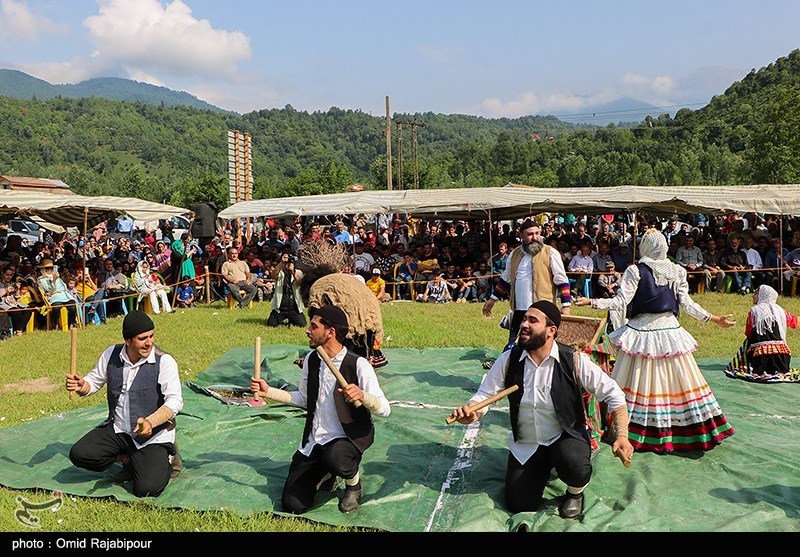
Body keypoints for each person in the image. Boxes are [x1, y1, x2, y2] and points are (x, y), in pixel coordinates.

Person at [449, 301, 633, 518]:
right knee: (519, 503)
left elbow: (614, 394)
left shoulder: (573, 360)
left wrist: (622, 435)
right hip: (527, 445)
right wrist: (472, 413)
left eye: (532, 320)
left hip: (564, 437)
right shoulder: (509, 359)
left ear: (551, 331)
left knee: (574, 464)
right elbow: (484, 396)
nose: (523, 324)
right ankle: (539, 468)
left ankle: (575, 493)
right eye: (524, 319)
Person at [574, 229, 736, 453]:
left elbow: (621, 302)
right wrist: (714, 319)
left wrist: (591, 302)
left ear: (645, 247)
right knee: (676, 380)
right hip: (669, 332)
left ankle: (634, 428)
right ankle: (679, 429)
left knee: (636, 379)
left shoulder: (637, 270)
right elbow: (687, 304)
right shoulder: (675, 271)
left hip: (644, 332)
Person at [250, 305, 391, 514]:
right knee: (293, 505)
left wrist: (363, 396)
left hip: (347, 439)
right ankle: (326, 474)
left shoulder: (358, 364)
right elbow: (304, 398)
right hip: (315, 440)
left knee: (336, 458)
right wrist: (268, 391)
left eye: (314, 326)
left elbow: (385, 408)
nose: (307, 330)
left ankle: (353, 484)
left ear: (330, 332)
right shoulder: (311, 359)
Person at [65, 311, 183, 497]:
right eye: (142, 338)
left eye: (151, 336)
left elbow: (175, 401)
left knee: (147, 489)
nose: (149, 342)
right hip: (119, 430)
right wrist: (81, 386)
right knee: (80, 454)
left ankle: (168, 457)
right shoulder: (111, 354)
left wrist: (151, 422)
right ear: (128, 340)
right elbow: (93, 382)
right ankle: (130, 459)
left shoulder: (164, 361)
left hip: (153, 435)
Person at [483, 219, 571, 352]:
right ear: (522, 235)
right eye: (530, 234)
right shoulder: (514, 254)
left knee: (543, 345)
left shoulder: (550, 253)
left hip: (543, 309)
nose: (535, 237)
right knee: (515, 347)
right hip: (519, 309)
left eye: (537, 233)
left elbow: (562, 280)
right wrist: (492, 300)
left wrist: (566, 306)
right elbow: (506, 280)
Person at [725, 285, 800, 383]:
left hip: (760, 358)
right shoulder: (781, 311)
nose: (753, 296)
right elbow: (795, 323)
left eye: (756, 293)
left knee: (748, 341)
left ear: (762, 295)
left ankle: (748, 364)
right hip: (782, 359)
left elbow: (748, 333)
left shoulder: (754, 311)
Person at [267, 254, 306, 327]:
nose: (287, 264)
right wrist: (282, 263)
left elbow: (300, 283)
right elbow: (273, 275)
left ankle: (292, 319)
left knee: (302, 324)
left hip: (294, 308)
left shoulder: (298, 272)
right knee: (271, 324)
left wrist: (292, 271)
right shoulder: (280, 272)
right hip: (280, 307)